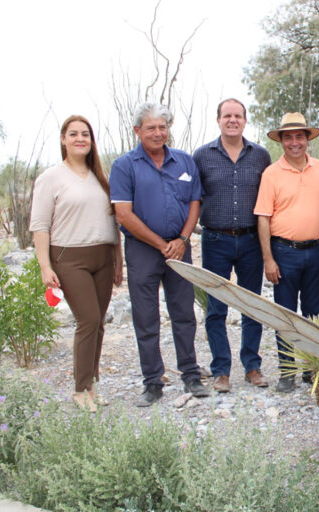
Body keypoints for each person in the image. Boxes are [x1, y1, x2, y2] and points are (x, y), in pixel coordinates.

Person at [109, 102, 209, 407]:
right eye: (151, 127)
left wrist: (181, 238)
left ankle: (191, 375)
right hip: (142, 251)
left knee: (184, 314)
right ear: (138, 131)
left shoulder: (184, 162)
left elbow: (195, 203)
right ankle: (152, 382)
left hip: (180, 247)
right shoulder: (124, 166)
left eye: (162, 127)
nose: (158, 133)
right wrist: (159, 243)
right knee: (146, 317)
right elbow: (123, 214)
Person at [30, 115, 123, 412]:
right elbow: (40, 226)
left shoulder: (100, 176)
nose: (80, 138)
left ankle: (91, 385)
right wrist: (45, 266)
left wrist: (118, 262)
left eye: (85, 134)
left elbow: (114, 221)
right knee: (88, 321)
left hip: (103, 257)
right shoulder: (51, 178)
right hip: (69, 259)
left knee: (99, 325)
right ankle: (80, 389)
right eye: (74, 134)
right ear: (63, 139)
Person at [193, 98, 272, 391]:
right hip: (215, 239)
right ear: (218, 120)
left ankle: (252, 366)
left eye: (238, 116)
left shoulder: (261, 156)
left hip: (251, 239)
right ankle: (221, 370)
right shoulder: (202, 156)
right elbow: (193, 198)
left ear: (245, 120)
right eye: (227, 116)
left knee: (252, 304)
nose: (232, 120)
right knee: (216, 307)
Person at [253, 112, 319, 393]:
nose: (294, 142)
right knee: (285, 314)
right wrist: (268, 259)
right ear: (282, 141)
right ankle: (288, 371)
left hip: (315, 251)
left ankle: (312, 369)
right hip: (283, 252)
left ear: (307, 139)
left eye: (300, 136)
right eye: (289, 137)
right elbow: (263, 217)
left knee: (314, 314)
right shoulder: (271, 174)